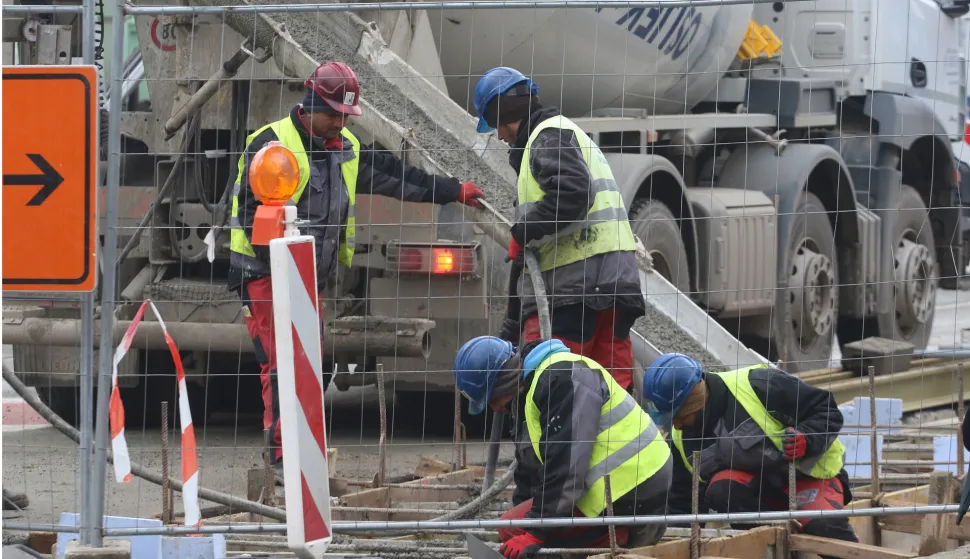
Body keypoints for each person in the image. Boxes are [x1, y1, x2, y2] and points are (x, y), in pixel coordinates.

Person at [230, 61, 486, 467]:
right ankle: (282, 458)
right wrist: (283, 269)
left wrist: (453, 191)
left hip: (308, 277)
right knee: (283, 365)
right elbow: (248, 215)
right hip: (266, 275)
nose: (339, 123)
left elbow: (396, 175)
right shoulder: (272, 147)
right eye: (332, 114)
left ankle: (303, 455)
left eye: (345, 116)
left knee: (308, 364)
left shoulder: (344, 148)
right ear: (309, 104)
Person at [472, 67, 644, 390]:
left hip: (576, 290)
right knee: (613, 393)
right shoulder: (565, 132)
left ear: (504, 112)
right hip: (615, 285)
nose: (499, 136)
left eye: (497, 125)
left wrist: (525, 230)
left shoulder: (546, 137)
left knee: (556, 392)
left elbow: (575, 191)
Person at [455, 336, 672, 558]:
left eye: (491, 400)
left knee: (545, 552)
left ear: (502, 384)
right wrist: (526, 526)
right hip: (603, 487)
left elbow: (566, 463)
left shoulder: (561, 379)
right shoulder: (527, 392)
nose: (495, 408)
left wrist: (537, 533)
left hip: (634, 492)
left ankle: (618, 539)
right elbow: (530, 472)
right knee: (510, 528)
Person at [639, 353, 858, 552]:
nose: (676, 426)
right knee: (721, 491)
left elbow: (825, 409)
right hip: (763, 497)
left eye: (678, 416)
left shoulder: (758, 385)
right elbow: (684, 504)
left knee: (824, 528)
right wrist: (678, 548)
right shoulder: (681, 440)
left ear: (693, 402)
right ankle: (779, 545)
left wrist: (808, 439)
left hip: (809, 479)